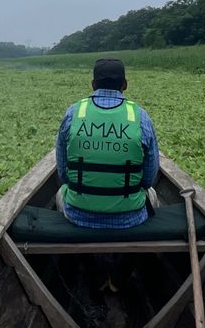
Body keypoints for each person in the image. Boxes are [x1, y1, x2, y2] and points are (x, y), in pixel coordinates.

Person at [55, 57, 159, 229]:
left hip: (77, 215)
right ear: (125, 85)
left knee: (61, 191)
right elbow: (148, 179)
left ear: (93, 85)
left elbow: (63, 173)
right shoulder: (141, 117)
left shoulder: (73, 113)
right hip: (130, 218)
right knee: (153, 193)